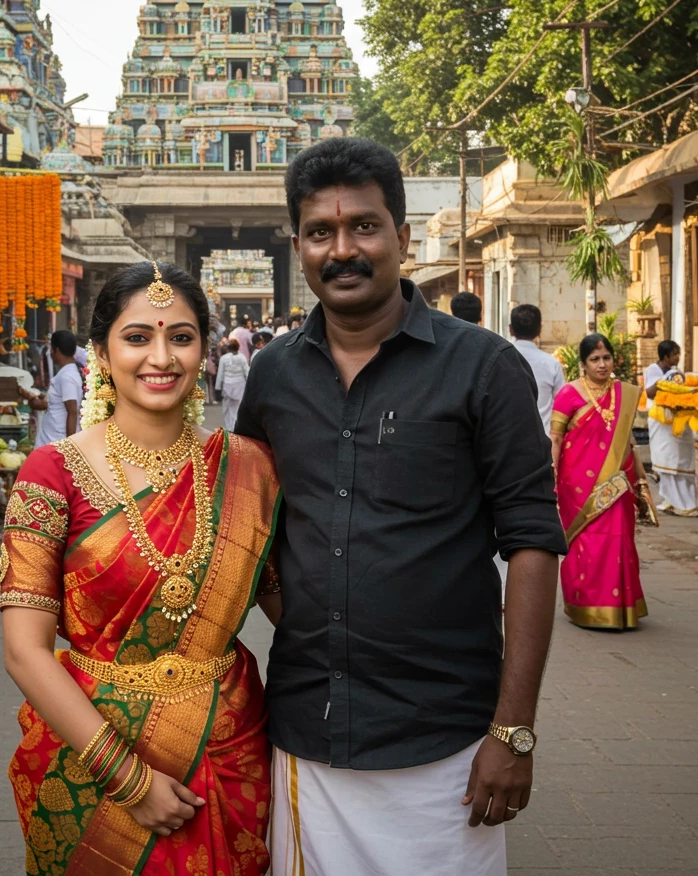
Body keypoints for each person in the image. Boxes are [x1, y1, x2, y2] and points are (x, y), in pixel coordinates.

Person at [236, 137, 567, 875]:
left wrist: (514, 732)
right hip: (306, 737)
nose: (342, 249)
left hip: (445, 746)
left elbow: (533, 544)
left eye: (364, 226)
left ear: (403, 238)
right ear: (298, 246)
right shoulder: (273, 376)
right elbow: (248, 524)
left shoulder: (482, 368)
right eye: (320, 232)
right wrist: (307, 611)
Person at [0, 261, 281, 876]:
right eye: (137, 337)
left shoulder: (250, 469)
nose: (162, 356)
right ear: (100, 352)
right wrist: (128, 780)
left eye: (181, 336)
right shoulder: (51, 473)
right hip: (93, 758)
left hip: (226, 747)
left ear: (206, 349)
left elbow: (300, 612)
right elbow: (25, 652)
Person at [550, 334, 653, 630]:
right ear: (582, 364)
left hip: (618, 480)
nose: (602, 364)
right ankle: (585, 606)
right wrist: (551, 473)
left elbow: (628, 442)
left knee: (619, 539)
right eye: (595, 359)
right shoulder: (569, 393)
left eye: (606, 357)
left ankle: (621, 608)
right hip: (577, 483)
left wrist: (641, 480)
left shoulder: (625, 393)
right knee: (585, 541)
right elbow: (556, 437)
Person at [644, 341, 698, 516]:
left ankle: (686, 503)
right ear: (665, 356)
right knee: (666, 460)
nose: (678, 357)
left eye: (679, 353)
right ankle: (673, 500)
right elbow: (650, 392)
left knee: (681, 460)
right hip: (662, 423)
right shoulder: (653, 370)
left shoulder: (677, 373)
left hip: (678, 421)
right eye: (675, 354)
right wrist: (664, 382)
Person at [509, 304, 565, 435]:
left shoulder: (499, 360)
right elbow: (562, 403)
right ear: (539, 330)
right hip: (543, 439)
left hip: (507, 440)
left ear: (511, 330)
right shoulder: (552, 364)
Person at [23, 330, 83, 448]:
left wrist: (70, 450)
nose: (50, 353)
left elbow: (72, 411)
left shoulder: (67, 377)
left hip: (56, 444)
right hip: (51, 443)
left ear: (57, 350)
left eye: (51, 349)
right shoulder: (66, 373)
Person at [215, 337, 250, 431]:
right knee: (238, 407)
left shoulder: (223, 358)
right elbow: (247, 371)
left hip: (227, 386)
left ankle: (229, 427)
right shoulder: (242, 357)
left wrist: (217, 387)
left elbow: (220, 374)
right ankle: (236, 427)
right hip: (240, 386)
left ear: (228, 348)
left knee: (227, 408)